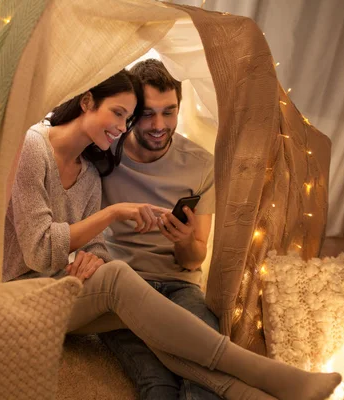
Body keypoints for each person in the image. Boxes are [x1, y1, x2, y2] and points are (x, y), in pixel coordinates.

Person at [2, 69, 342, 400]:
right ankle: (266, 372)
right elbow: (40, 251)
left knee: (166, 340)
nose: (122, 128)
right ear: (88, 101)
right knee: (119, 276)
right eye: (120, 114)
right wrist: (113, 213)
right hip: (21, 297)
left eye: (127, 118)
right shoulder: (33, 146)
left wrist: (96, 256)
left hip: (65, 288)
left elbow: (94, 245)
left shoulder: (91, 172)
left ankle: (253, 392)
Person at [99, 59, 220, 400]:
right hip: (120, 287)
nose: (158, 125)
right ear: (131, 111)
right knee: (158, 384)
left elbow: (195, 259)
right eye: (148, 113)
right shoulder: (105, 154)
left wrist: (183, 242)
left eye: (169, 112)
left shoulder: (201, 165)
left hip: (179, 286)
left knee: (206, 374)